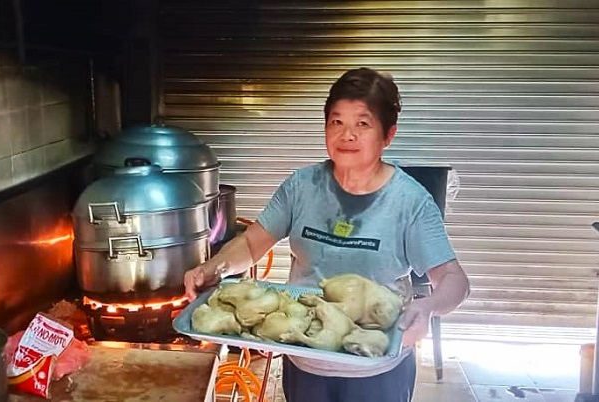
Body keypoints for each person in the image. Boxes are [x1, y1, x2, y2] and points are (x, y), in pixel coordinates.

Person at [183, 67, 470, 402]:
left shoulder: (410, 201)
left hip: (375, 369)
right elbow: (251, 243)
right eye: (337, 122)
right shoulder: (302, 186)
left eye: (362, 124)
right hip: (306, 363)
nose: (347, 135)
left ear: (388, 135)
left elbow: (454, 279)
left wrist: (429, 306)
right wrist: (214, 268)